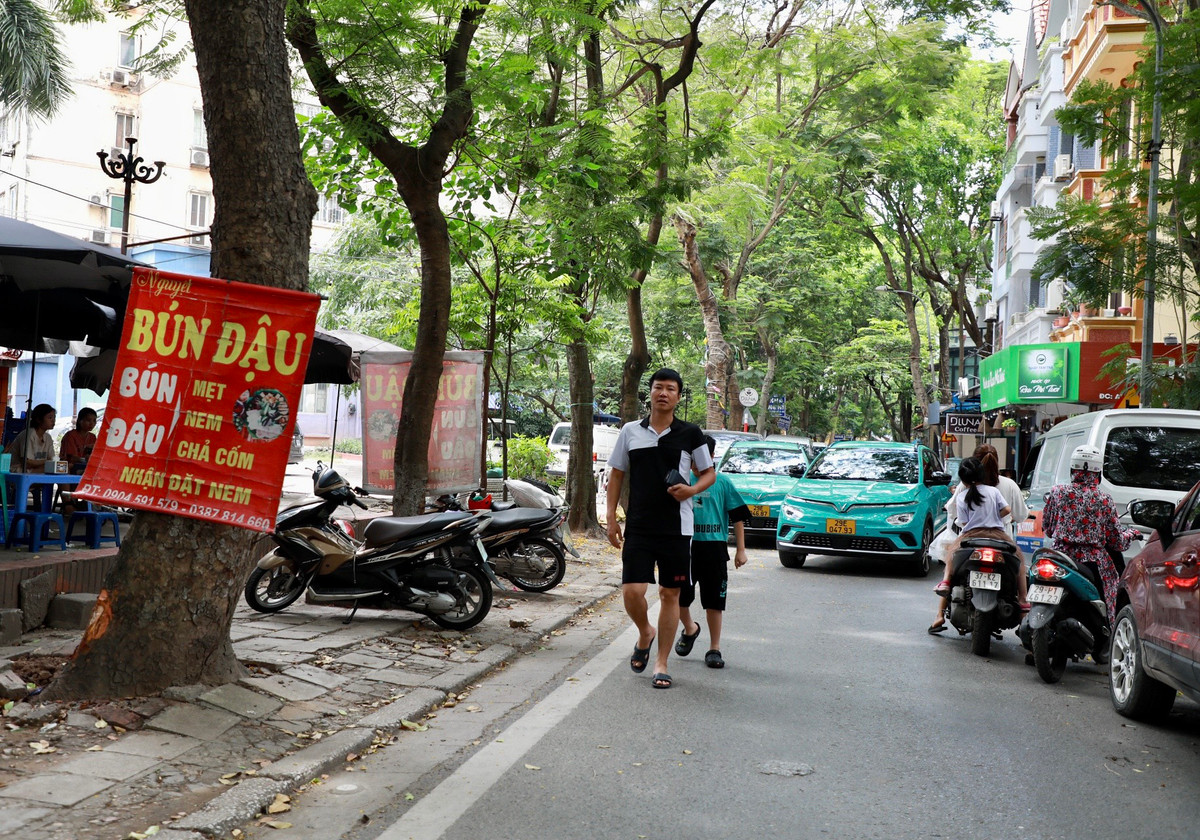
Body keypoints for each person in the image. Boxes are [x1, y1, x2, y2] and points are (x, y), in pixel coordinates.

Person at [606, 368, 715, 690]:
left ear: (679, 396)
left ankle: (662, 663)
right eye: (658, 388)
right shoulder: (630, 431)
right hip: (638, 525)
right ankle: (644, 632)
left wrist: (692, 490)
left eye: (670, 389)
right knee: (632, 591)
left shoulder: (691, 433)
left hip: (677, 528)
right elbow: (616, 475)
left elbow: (708, 473)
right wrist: (611, 517)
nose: (663, 393)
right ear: (649, 393)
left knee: (670, 594)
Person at [1041, 444, 1138, 643]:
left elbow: (1048, 529)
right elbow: (1116, 541)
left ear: (1072, 470)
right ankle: (1108, 636)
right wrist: (1132, 534)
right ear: (1098, 473)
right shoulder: (1104, 500)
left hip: (1059, 557)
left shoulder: (1057, 492)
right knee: (1111, 593)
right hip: (1093, 561)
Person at [675, 435, 751, 669]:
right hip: (686, 546)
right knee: (677, 596)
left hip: (714, 548)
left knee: (714, 602)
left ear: (711, 457)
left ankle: (714, 649)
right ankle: (690, 628)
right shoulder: (682, 479)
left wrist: (741, 550)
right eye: (693, 458)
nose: (696, 464)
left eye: (701, 458)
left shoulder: (723, 482)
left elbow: (737, 517)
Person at [929, 455, 1027, 633]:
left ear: (963, 480)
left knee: (950, 558)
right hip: (998, 536)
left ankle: (940, 609)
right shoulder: (993, 491)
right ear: (982, 475)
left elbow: (963, 522)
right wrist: (997, 516)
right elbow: (1007, 510)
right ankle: (1023, 599)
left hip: (971, 536)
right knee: (1019, 561)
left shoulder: (962, 496)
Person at [4, 403, 57, 473]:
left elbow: (52, 459)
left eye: (54, 417)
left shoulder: (48, 437)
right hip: (18, 470)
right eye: (50, 418)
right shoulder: (29, 434)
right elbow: (26, 463)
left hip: (35, 469)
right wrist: (47, 461)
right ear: (38, 419)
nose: (53, 421)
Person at [59, 407, 98, 472]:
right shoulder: (71, 435)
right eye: (88, 420)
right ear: (80, 421)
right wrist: (83, 459)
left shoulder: (92, 437)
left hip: (85, 466)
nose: (92, 423)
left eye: (94, 421)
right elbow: (71, 457)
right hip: (69, 467)